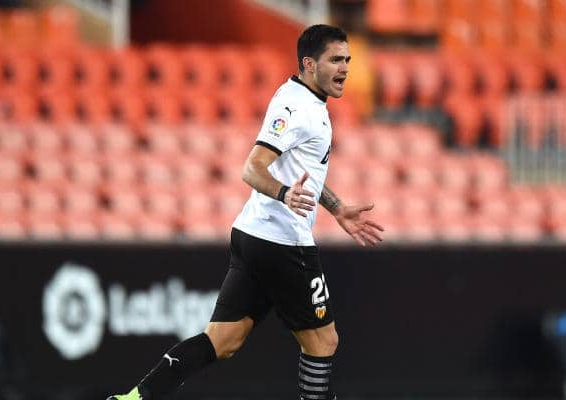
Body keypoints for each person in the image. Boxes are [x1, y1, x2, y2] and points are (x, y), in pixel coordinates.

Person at [108, 24, 384, 400]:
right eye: (336, 60)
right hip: (284, 243)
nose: (345, 68)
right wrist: (284, 195)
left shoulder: (300, 98)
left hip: (254, 236)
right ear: (309, 64)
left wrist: (336, 208)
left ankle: (135, 398)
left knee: (223, 340)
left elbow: (296, 168)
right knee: (323, 341)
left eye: (347, 60)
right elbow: (252, 168)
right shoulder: (299, 108)